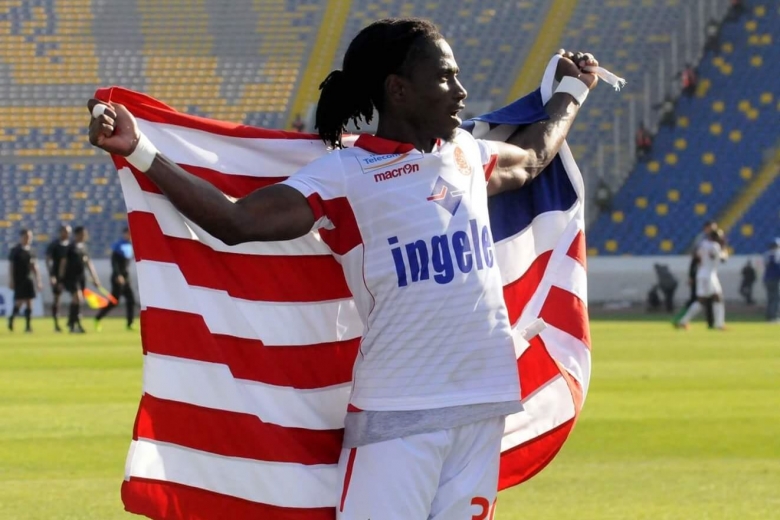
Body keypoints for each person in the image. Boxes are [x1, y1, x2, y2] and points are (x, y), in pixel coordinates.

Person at [88, 17, 601, 519]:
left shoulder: (466, 153)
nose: (461, 91)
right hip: (398, 417)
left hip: (484, 408)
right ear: (398, 89)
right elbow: (235, 221)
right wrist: (140, 151)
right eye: (445, 77)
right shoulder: (345, 176)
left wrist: (572, 92)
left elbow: (532, 157)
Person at [676, 229, 728, 330]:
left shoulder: (703, 244)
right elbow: (722, 259)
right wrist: (724, 250)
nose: (721, 238)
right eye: (720, 236)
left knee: (707, 299)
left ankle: (683, 321)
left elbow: (697, 256)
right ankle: (719, 324)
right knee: (711, 299)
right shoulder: (715, 246)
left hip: (703, 273)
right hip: (708, 275)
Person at [674, 220, 717, 327]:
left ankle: (711, 322)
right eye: (712, 228)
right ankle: (679, 319)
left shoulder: (711, 240)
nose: (714, 230)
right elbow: (695, 258)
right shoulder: (702, 240)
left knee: (709, 298)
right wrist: (691, 275)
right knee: (696, 298)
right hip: (700, 272)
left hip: (705, 272)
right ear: (706, 228)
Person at [59, 226, 102, 333]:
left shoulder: (84, 248)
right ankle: (76, 324)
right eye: (83, 234)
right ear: (77, 235)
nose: (84, 236)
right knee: (78, 298)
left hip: (81, 278)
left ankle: (71, 322)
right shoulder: (70, 247)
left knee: (78, 300)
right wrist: (60, 279)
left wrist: (95, 278)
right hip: (70, 278)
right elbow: (63, 263)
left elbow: (88, 264)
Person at [94, 227, 136, 331]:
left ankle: (130, 323)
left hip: (126, 277)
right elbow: (114, 262)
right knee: (114, 302)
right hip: (118, 278)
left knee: (131, 300)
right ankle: (98, 318)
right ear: (124, 233)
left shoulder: (131, 245)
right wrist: (118, 275)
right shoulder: (118, 245)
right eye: (128, 233)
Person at [7, 228, 42, 333]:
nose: (28, 239)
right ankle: (12, 318)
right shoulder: (16, 250)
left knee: (30, 302)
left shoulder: (31, 251)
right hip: (19, 279)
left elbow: (34, 266)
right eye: (26, 237)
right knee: (19, 301)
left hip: (28, 279)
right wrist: (11, 280)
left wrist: (38, 280)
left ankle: (28, 326)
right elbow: (11, 266)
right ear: (21, 237)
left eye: (30, 237)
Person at [45, 223, 72, 332]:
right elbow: (48, 260)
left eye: (68, 232)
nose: (67, 234)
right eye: (65, 231)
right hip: (57, 275)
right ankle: (56, 324)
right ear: (61, 232)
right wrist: (52, 275)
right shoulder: (54, 245)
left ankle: (72, 320)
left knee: (76, 296)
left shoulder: (71, 245)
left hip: (70, 276)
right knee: (57, 298)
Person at [763, 239, 780, 322]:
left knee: (770, 298)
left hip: (767, 279)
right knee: (776, 298)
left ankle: (769, 316)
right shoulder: (777, 254)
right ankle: (774, 316)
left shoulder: (767, 254)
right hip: (775, 279)